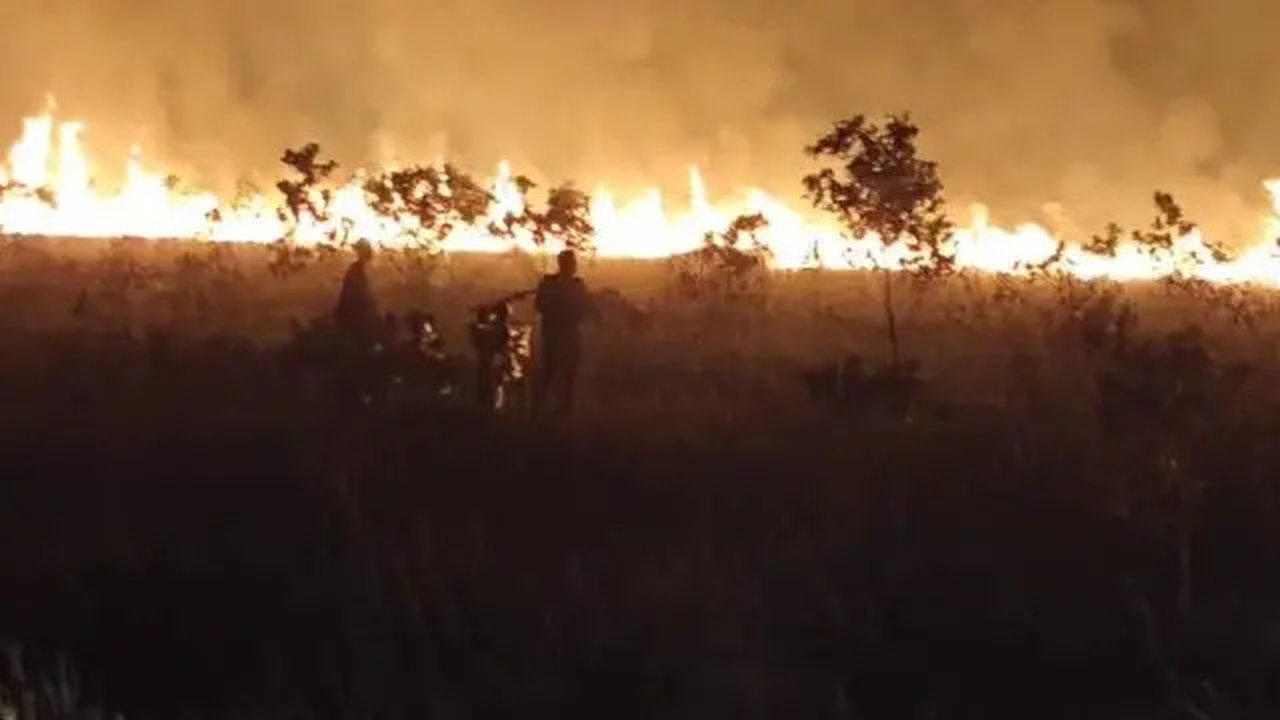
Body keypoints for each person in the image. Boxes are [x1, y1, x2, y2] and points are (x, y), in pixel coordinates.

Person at [533, 249, 594, 417]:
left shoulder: (577, 284)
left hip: (570, 333)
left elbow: (586, 306)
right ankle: (539, 409)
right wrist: (558, 304)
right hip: (554, 333)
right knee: (550, 372)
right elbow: (539, 305)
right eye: (571, 263)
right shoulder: (549, 283)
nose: (573, 266)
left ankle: (563, 411)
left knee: (569, 374)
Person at [333, 240, 381, 350]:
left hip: (354, 315)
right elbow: (355, 294)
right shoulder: (357, 270)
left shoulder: (358, 269)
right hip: (356, 315)